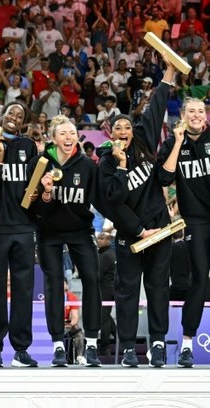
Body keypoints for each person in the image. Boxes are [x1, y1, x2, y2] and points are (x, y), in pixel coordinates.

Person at [95, 55, 175, 368]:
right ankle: (127, 346)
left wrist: (168, 70)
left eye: (128, 126)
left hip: (160, 230)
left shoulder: (143, 140)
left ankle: (157, 343)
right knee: (126, 291)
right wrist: (123, 167)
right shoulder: (105, 163)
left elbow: (155, 108)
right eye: (118, 127)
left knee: (158, 288)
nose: (124, 129)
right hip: (132, 235)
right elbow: (115, 202)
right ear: (111, 134)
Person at [27, 115, 102, 367]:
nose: (69, 137)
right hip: (49, 231)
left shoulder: (88, 166)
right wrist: (46, 193)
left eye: (72, 132)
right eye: (63, 134)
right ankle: (58, 345)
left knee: (92, 279)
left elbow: (102, 201)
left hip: (80, 231)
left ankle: (91, 343)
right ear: (53, 138)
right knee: (53, 284)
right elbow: (32, 207)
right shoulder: (39, 163)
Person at [0, 100, 38, 368]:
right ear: (2, 116)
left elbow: (34, 186)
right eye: (10, 112)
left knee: (23, 290)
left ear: (23, 122)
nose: (14, 117)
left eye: (19, 115)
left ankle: (21, 349)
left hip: (24, 227)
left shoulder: (29, 147)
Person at [157, 97, 210, 368]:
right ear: (183, 115)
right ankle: (187, 343)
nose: (197, 115)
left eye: (201, 111)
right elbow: (165, 179)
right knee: (200, 278)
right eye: (192, 111)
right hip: (197, 220)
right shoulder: (173, 142)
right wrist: (177, 142)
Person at [97, 231, 117, 356]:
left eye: (102, 238)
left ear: (108, 240)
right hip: (109, 290)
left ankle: (105, 348)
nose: (99, 240)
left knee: (103, 319)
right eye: (98, 238)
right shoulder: (110, 253)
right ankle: (118, 335)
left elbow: (98, 275)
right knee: (106, 316)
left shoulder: (105, 256)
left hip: (105, 291)